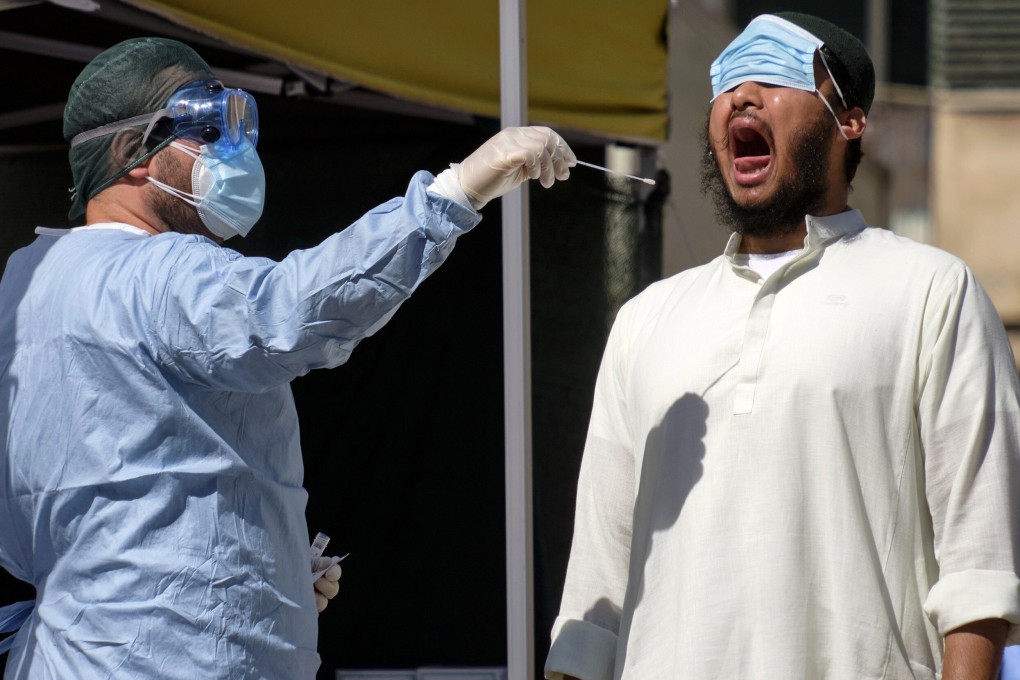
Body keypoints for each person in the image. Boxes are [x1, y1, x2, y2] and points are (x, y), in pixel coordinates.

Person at [0, 37, 575, 678]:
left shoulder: (26, 285)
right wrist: (453, 195)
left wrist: (257, 564)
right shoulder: (157, 274)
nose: (230, 151)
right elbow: (289, 311)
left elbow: (88, 501)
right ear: (128, 153)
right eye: (207, 130)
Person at [545, 12, 1019, 680]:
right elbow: (594, 593)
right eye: (726, 81)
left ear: (849, 120)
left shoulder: (932, 292)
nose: (742, 95)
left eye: (773, 72)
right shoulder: (644, 320)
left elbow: (980, 566)